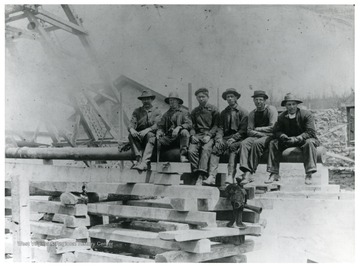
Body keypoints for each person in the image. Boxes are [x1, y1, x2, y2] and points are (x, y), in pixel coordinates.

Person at [266, 93, 320, 185]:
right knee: (273, 143)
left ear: (297, 105)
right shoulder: (281, 116)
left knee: (310, 143)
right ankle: (273, 173)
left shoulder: (306, 115)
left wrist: (299, 137)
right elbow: (277, 131)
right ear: (285, 106)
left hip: (304, 140)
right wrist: (282, 136)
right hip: (288, 141)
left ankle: (309, 174)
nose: (291, 107)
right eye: (289, 104)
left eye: (293, 104)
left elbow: (310, 131)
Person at [206, 88, 249, 185]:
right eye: (227, 97)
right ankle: (211, 176)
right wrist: (219, 138)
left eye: (231, 97)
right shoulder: (224, 113)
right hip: (226, 138)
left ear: (236, 98)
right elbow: (220, 127)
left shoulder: (243, 112)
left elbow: (243, 129)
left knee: (232, 149)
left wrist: (234, 138)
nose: (229, 99)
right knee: (216, 149)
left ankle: (230, 175)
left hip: (239, 138)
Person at [238, 90, 278, 183]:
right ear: (253, 101)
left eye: (260, 99)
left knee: (257, 143)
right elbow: (249, 130)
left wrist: (259, 129)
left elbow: (273, 127)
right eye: (256, 99)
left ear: (265, 101)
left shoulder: (271, 110)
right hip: (259, 135)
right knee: (244, 143)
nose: (258, 102)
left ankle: (251, 171)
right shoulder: (252, 113)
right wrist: (260, 133)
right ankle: (246, 171)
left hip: (270, 136)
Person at [188, 88, 220, 185]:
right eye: (199, 97)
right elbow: (192, 126)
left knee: (206, 149)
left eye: (203, 97)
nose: (201, 99)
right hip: (198, 135)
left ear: (207, 97)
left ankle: (202, 174)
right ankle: (195, 173)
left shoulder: (214, 109)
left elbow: (216, 125)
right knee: (191, 151)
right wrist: (192, 135)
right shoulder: (195, 111)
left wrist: (209, 135)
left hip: (209, 134)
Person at [128, 90, 162, 171]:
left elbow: (158, 124)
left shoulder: (157, 111)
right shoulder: (137, 111)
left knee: (150, 136)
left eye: (148, 99)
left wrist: (147, 130)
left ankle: (145, 162)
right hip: (139, 137)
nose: (146, 101)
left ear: (151, 99)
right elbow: (132, 122)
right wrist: (131, 129)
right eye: (144, 99)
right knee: (130, 135)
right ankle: (138, 159)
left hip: (150, 137)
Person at [156, 92, 192, 162]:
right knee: (157, 140)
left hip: (179, 137)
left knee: (185, 132)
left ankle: (183, 155)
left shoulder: (184, 112)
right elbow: (161, 126)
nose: (172, 102)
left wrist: (179, 127)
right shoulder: (166, 114)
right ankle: (159, 160)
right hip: (169, 138)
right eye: (170, 101)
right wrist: (159, 131)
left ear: (178, 101)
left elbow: (189, 124)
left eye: (174, 100)